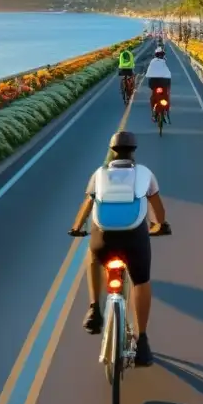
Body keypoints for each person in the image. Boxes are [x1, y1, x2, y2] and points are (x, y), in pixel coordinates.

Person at [69, 131, 170, 367]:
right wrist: (161, 226)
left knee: (92, 257)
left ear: (112, 151)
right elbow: (159, 210)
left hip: (103, 238)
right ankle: (142, 342)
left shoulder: (99, 174)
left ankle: (94, 309)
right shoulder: (145, 174)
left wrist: (75, 227)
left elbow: (87, 204)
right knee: (141, 281)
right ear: (134, 151)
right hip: (134, 237)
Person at [146, 46, 172, 119]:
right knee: (166, 96)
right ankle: (166, 112)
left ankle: (154, 113)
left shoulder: (153, 61)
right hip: (163, 82)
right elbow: (167, 72)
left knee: (153, 98)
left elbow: (149, 71)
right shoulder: (164, 61)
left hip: (154, 83)